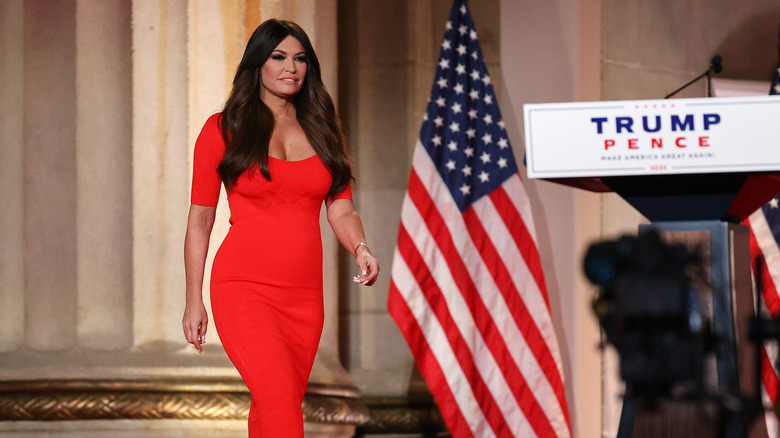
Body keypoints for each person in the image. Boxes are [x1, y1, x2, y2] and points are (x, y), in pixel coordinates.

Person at [181, 19, 379, 438]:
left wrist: (360, 247)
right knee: (281, 406)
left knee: (274, 408)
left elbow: (341, 208)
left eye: (300, 58)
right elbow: (200, 218)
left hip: (304, 298)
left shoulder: (323, 127)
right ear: (258, 64)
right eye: (279, 57)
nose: (291, 67)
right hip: (243, 289)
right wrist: (193, 299)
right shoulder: (221, 129)